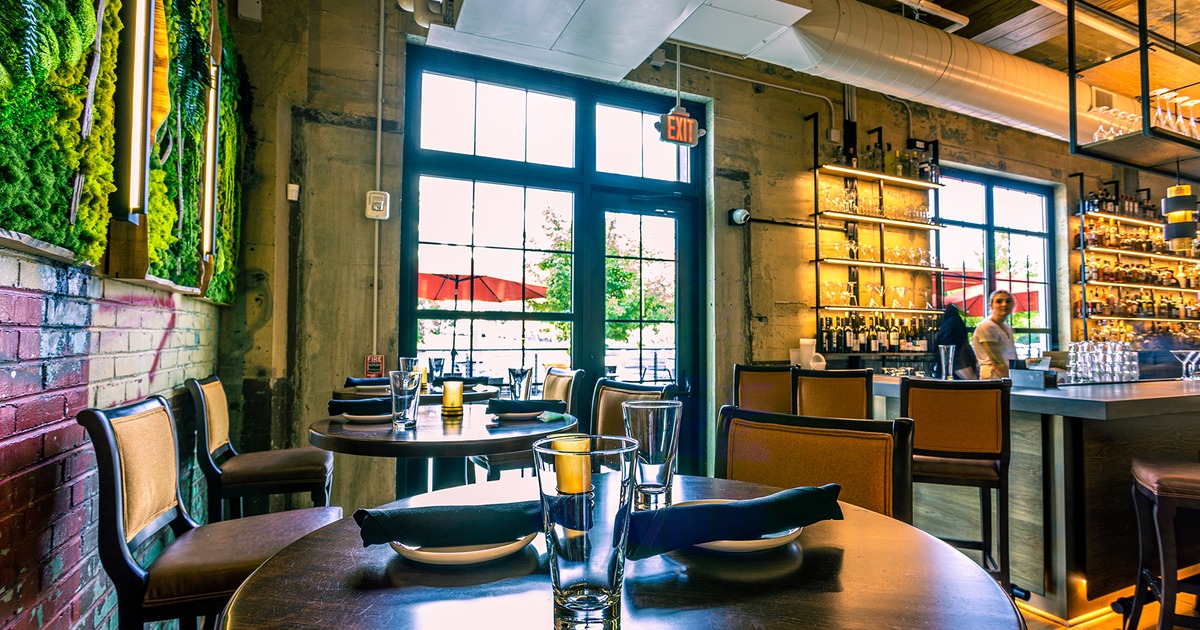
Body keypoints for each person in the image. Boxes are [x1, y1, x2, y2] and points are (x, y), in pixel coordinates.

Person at [972, 289, 1018, 379]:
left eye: (1008, 301)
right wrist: (1013, 382)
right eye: (999, 301)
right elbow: (997, 362)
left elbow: (1013, 357)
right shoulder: (986, 327)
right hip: (993, 379)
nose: (1004, 304)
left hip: (1007, 378)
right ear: (991, 306)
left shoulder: (1008, 328)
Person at [935, 304, 978, 380]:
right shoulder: (955, 323)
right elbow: (953, 354)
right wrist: (972, 380)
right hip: (957, 376)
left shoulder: (949, 321)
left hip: (951, 373)